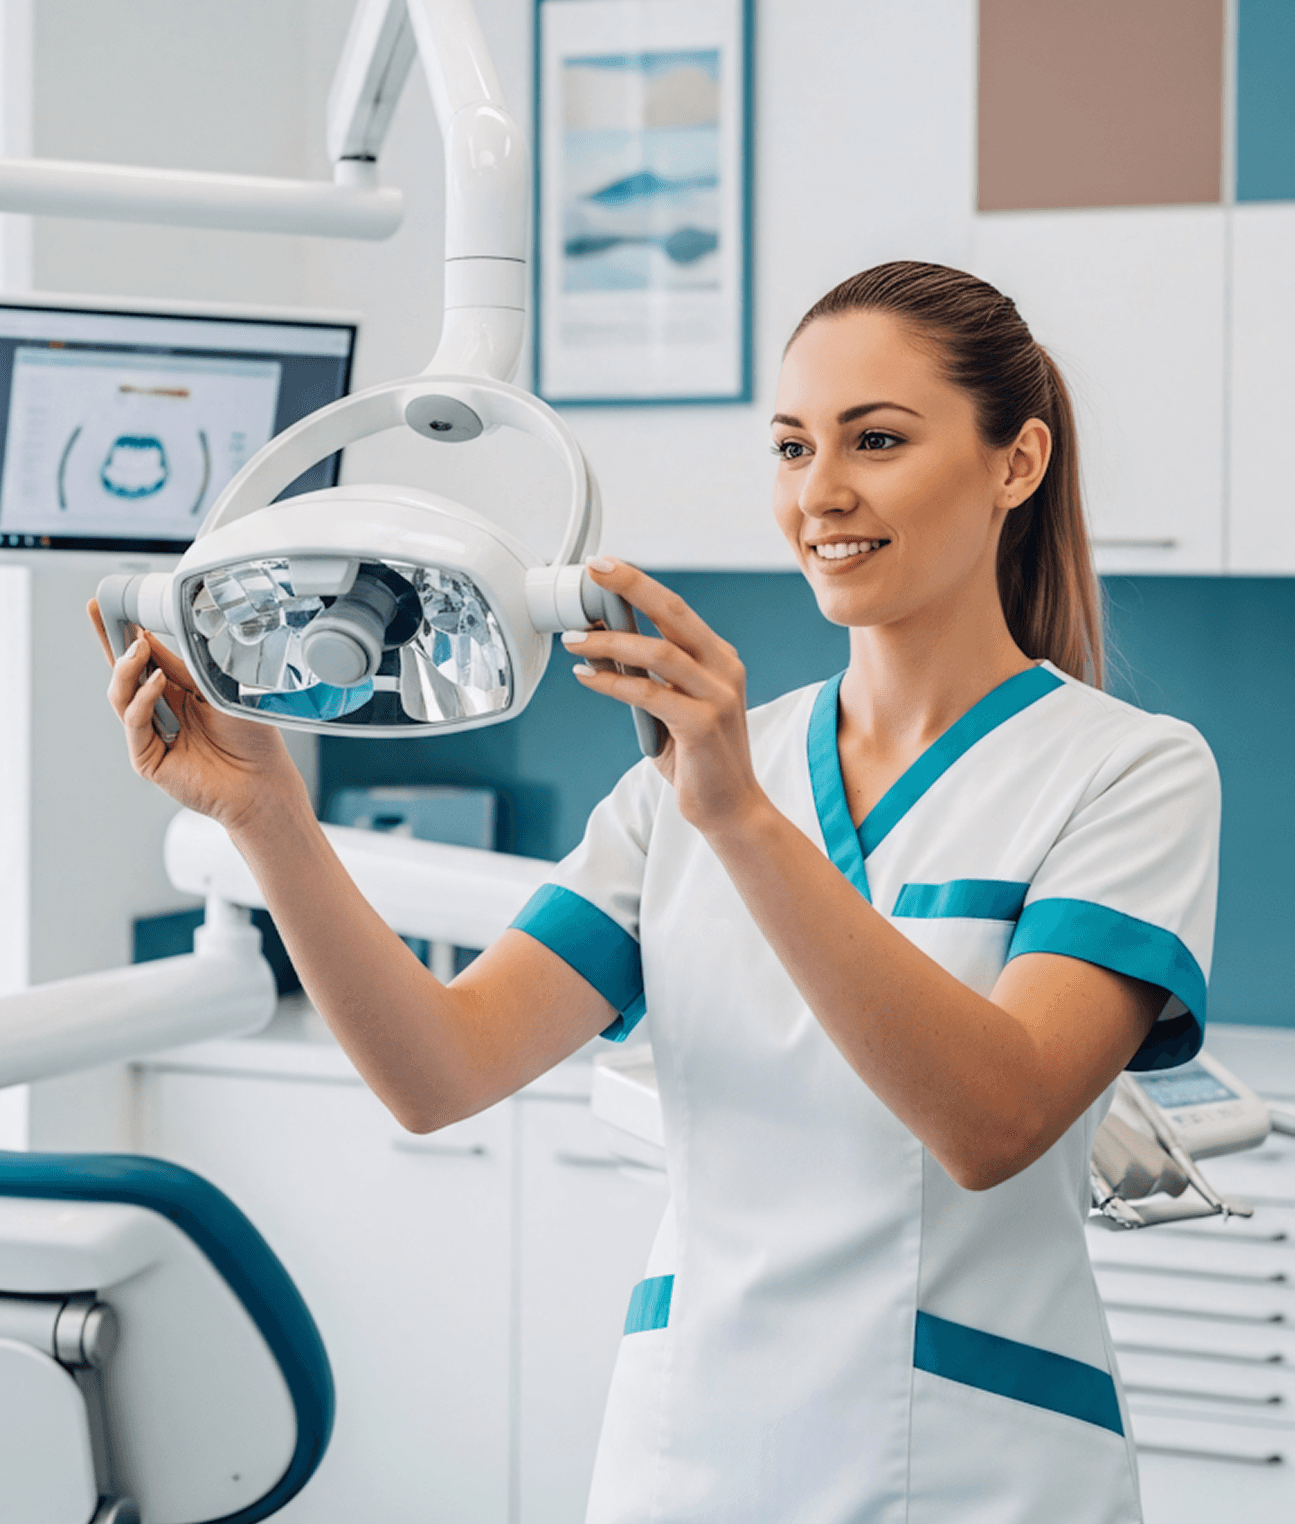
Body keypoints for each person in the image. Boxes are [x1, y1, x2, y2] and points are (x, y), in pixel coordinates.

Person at [95, 260, 1218, 1523]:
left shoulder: (1126, 771)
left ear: (1016, 464)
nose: (821, 494)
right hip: (689, 1461)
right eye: (792, 447)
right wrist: (266, 811)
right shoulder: (695, 775)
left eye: (878, 441)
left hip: (973, 1471)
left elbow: (994, 1120)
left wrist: (738, 816)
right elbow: (439, 1069)